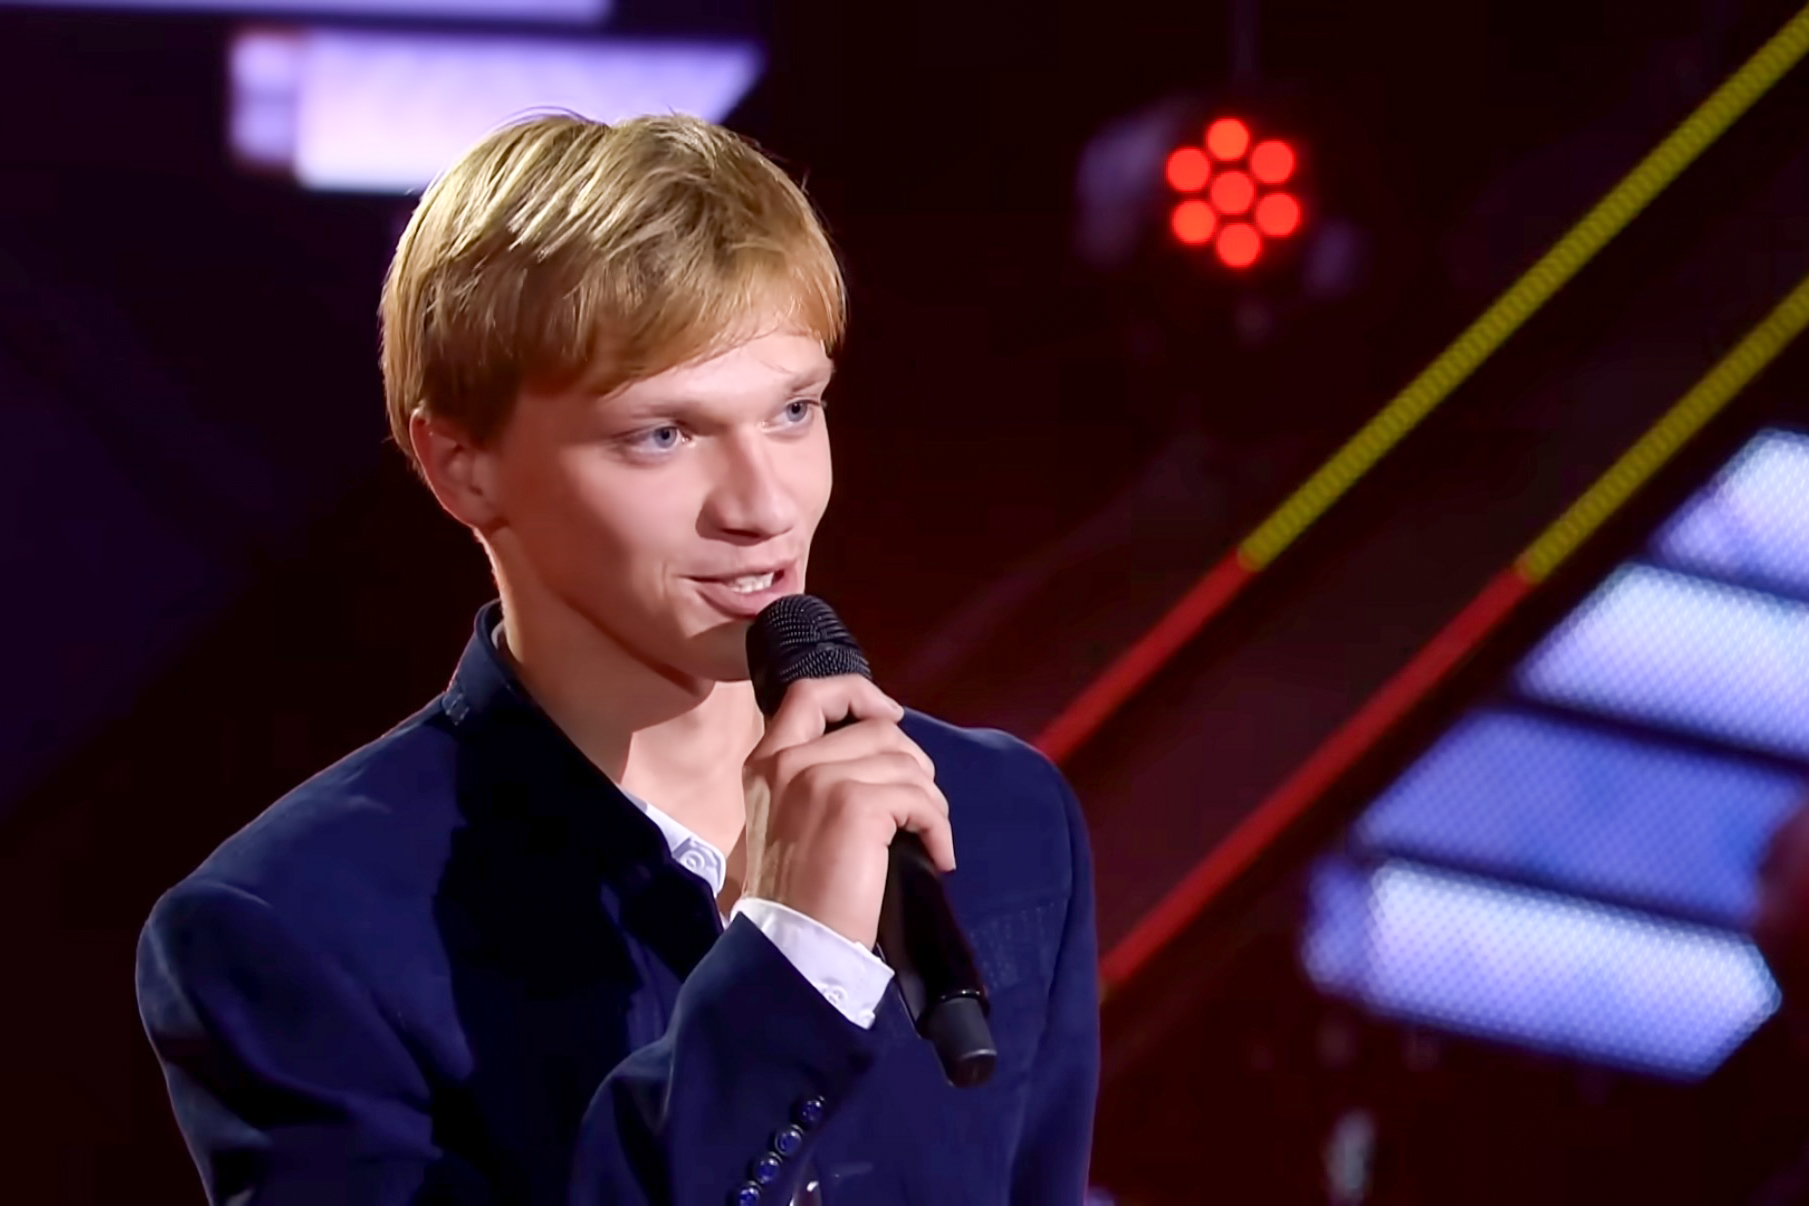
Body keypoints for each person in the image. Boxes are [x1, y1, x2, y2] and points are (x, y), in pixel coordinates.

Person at [134, 113, 1099, 1205]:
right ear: (461, 466)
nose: (763, 505)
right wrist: (790, 970)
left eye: (793, 411)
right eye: (662, 435)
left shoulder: (1002, 817)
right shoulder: (293, 930)